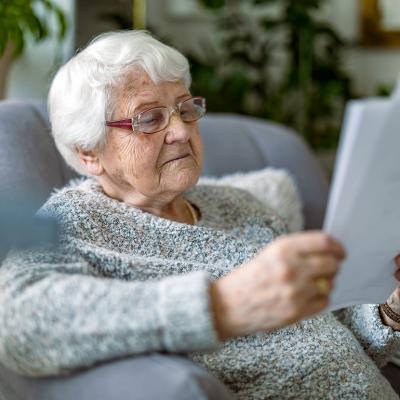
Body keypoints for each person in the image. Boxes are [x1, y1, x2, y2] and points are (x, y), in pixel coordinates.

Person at [0, 30, 399, 399]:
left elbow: (325, 333)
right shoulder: (71, 222)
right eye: (149, 118)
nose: (180, 131)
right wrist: (219, 306)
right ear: (89, 151)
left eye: (186, 108)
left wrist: (388, 313)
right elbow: (19, 325)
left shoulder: (243, 205)